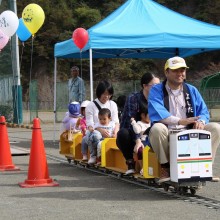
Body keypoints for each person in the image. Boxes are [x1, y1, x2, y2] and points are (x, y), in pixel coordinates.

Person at [148, 56, 220, 183]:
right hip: (168, 132)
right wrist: (179, 121)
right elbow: (157, 111)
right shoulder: (156, 90)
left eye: (182, 70)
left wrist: (201, 122)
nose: (180, 73)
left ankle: (206, 167)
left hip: (190, 130)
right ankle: (165, 167)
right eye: (175, 70)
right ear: (166, 72)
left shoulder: (191, 90)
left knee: (215, 128)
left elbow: (203, 111)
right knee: (156, 129)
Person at [116, 73, 160, 175]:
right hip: (132, 135)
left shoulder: (159, 99)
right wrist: (137, 140)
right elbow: (130, 122)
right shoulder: (133, 98)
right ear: (144, 86)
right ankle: (130, 162)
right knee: (123, 133)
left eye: (159, 85)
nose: (157, 88)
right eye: (154, 85)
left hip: (150, 132)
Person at [81, 80, 119, 162]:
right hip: (94, 133)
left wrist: (115, 132)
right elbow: (90, 125)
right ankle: (95, 156)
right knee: (96, 135)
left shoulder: (113, 104)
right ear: (99, 93)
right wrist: (99, 129)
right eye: (104, 94)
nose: (107, 96)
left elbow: (116, 122)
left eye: (109, 94)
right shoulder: (91, 106)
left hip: (110, 131)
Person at [130, 101, 151, 175]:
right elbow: (137, 130)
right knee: (140, 151)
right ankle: (143, 167)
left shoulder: (152, 123)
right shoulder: (140, 123)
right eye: (149, 114)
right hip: (143, 141)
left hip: (151, 141)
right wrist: (133, 122)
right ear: (142, 115)